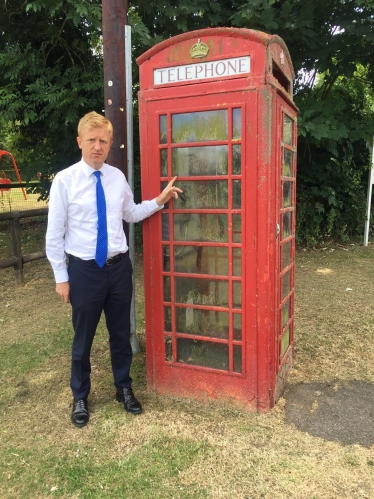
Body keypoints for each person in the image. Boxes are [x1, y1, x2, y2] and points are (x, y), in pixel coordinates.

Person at [46, 111, 181, 427]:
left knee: (120, 334)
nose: (97, 146)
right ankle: (80, 395)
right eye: (91, 140)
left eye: (103, 141)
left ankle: (124, 388)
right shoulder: (65, 181)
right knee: (83, 338)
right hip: (84, 272)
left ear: (109, 144)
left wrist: (158, 201)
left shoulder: (117, 178)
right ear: (80, 142)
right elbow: (54, 235)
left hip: (119, 270)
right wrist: (61, 278)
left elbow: (131, 214)